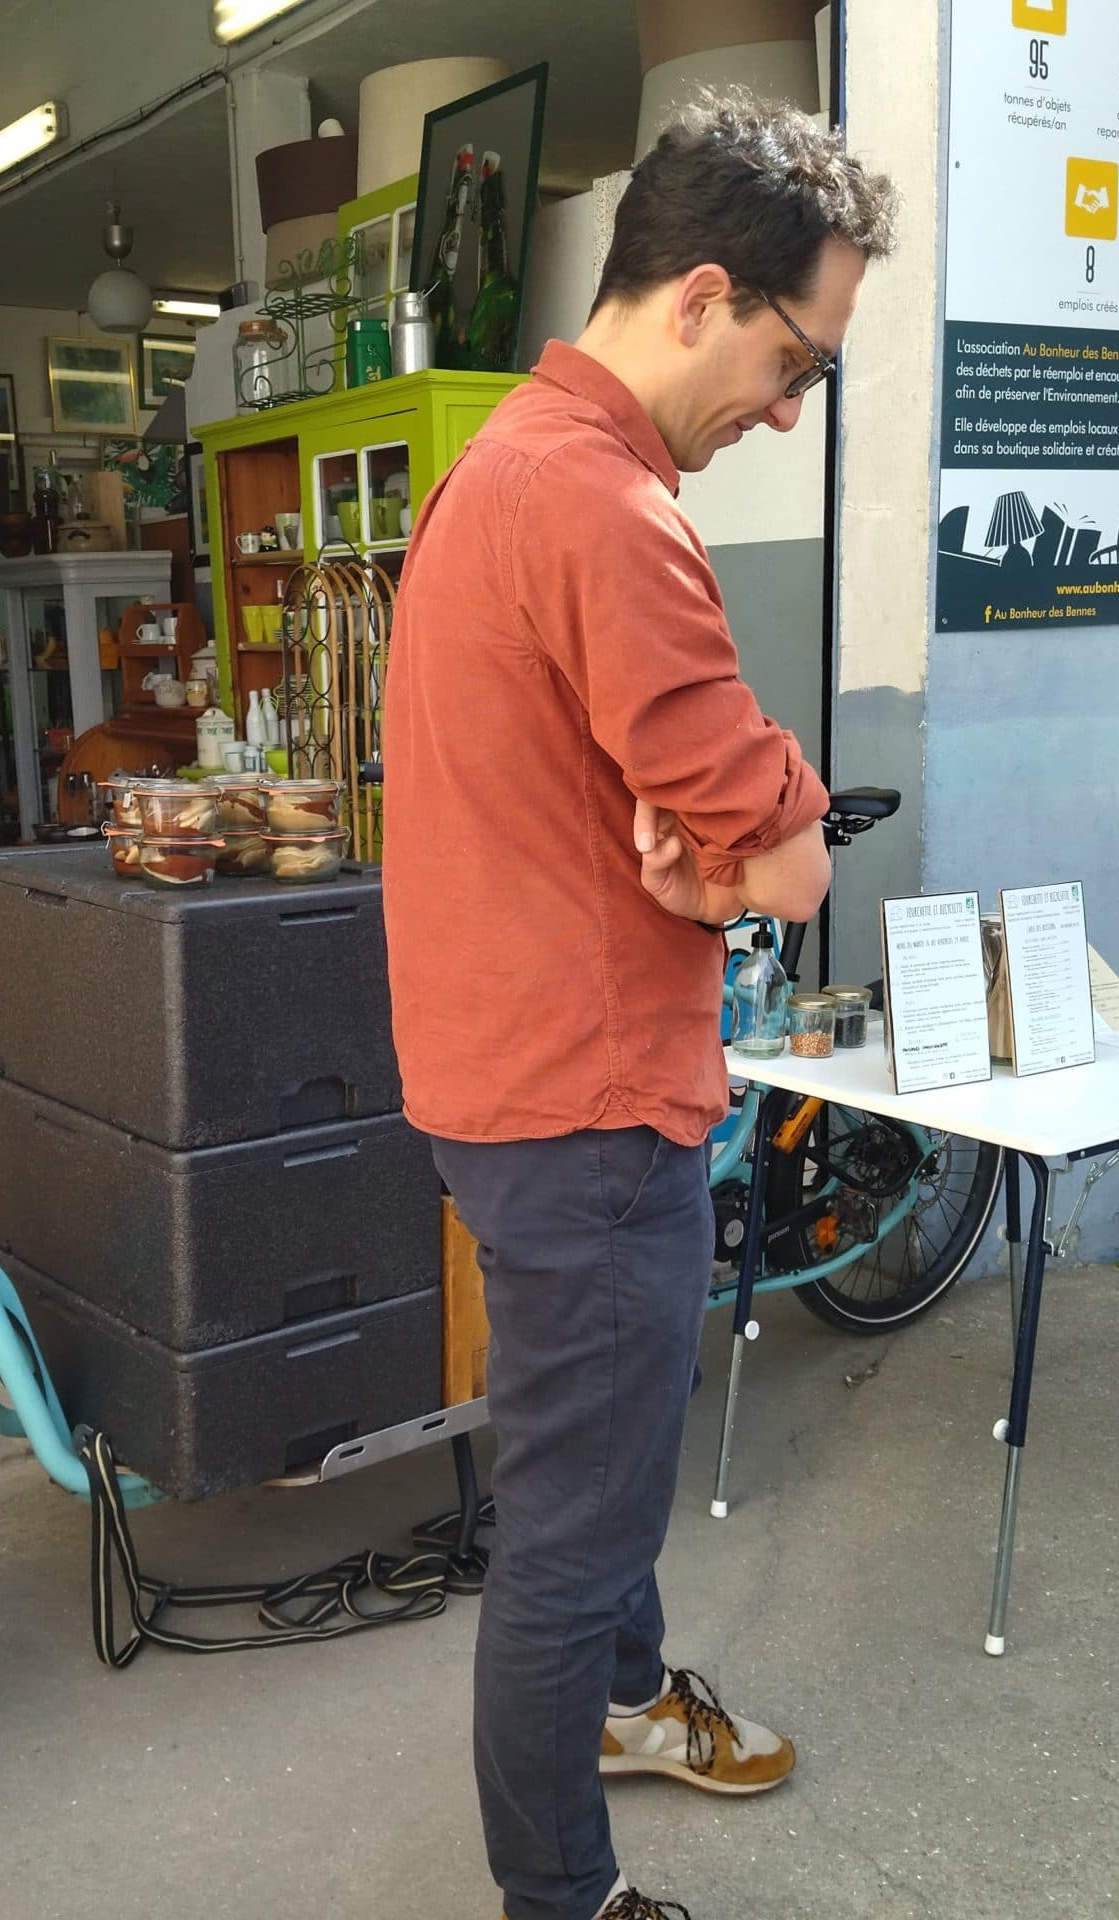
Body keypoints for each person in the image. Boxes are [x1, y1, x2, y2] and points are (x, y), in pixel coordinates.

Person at [381, 90, 898, 1920]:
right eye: (795, 362)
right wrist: (768, 845)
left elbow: (590, 796)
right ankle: (562, 1896)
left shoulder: (497, 466)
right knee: (570, 1529)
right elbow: (787, 854)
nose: (783, 409)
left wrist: (693, 852)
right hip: (589, 1102)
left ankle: (622, 1699)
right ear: (701, 293)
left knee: (594, 1464)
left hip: (495, 1072)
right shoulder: (610, 513)